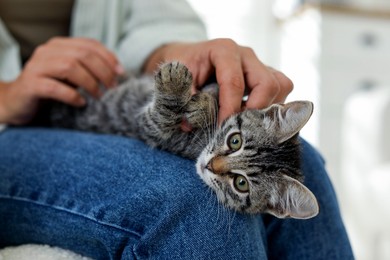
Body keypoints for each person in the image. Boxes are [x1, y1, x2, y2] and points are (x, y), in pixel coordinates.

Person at [0, 0, 354, 259]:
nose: (217, 165)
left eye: (238, 179)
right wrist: (7, 93)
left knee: (310, 170)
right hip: (10, 128)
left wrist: (185, 53)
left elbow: (156, 19)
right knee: (194, 207)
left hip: (111, 92)